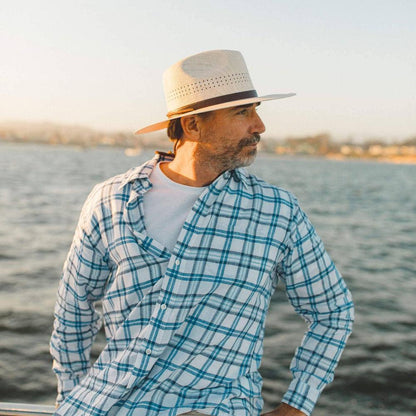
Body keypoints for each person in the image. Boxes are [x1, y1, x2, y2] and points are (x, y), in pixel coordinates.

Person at [50, 50, 354, 416]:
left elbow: (333, 310)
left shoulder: (277, 211)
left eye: (256, 110)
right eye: (243, 112)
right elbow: (74, 310)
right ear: (193, 126)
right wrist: (70, 397)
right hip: (107, 405)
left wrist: (298, 404)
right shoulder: (110, 200)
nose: (259, 125)